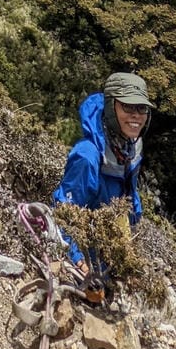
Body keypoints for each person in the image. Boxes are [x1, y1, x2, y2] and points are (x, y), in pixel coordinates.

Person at [52, 72, 152, 281]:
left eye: (141, 108)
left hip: (109, 247)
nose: (136, 115)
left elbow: (130, 194)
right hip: (89, 254)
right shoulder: (88, 156)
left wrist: (133, 240)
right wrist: (77, 259)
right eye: (127, 106)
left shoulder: (131, 146)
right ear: (110, 106)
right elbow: (63, 213)